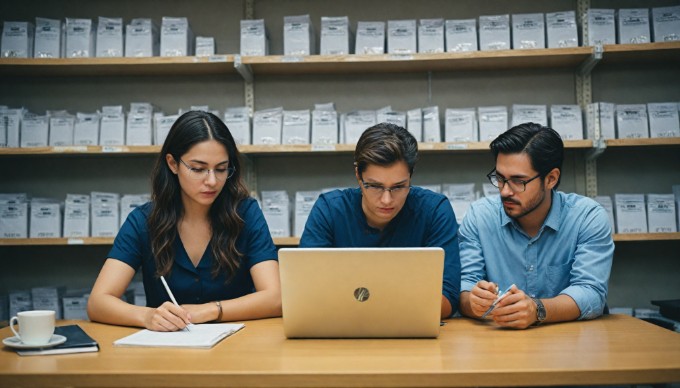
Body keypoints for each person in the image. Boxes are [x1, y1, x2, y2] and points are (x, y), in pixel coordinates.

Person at [88, 111, 281, 331]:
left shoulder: (246, 214)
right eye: (198, 169)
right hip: (166, 351)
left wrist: (212, 310)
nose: (212, 181)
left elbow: (275, 298)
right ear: (172, 164)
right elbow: (98, 303)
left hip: (237, 349)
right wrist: (148, 316)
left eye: (221, 169)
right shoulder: (143, 221)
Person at [458, 122, 614, 329]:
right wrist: (473, 301)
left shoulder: (587, 217)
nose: (505, 191)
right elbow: (465, 286)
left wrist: (537, 309)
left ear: (551, 179)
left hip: (570, 344)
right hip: (499, 343)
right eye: (500, 179)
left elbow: (591, 292)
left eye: (518, 181)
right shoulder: (480, 216)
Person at [300, 122, 461, 318]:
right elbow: (306, 292)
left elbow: (448, 298)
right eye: (375, 186)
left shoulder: (434, 210)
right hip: (342, 329)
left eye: (398, 187)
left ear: (411, 175)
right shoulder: (330, 210)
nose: (387, 199)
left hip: (411, 333)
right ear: (358, 174)